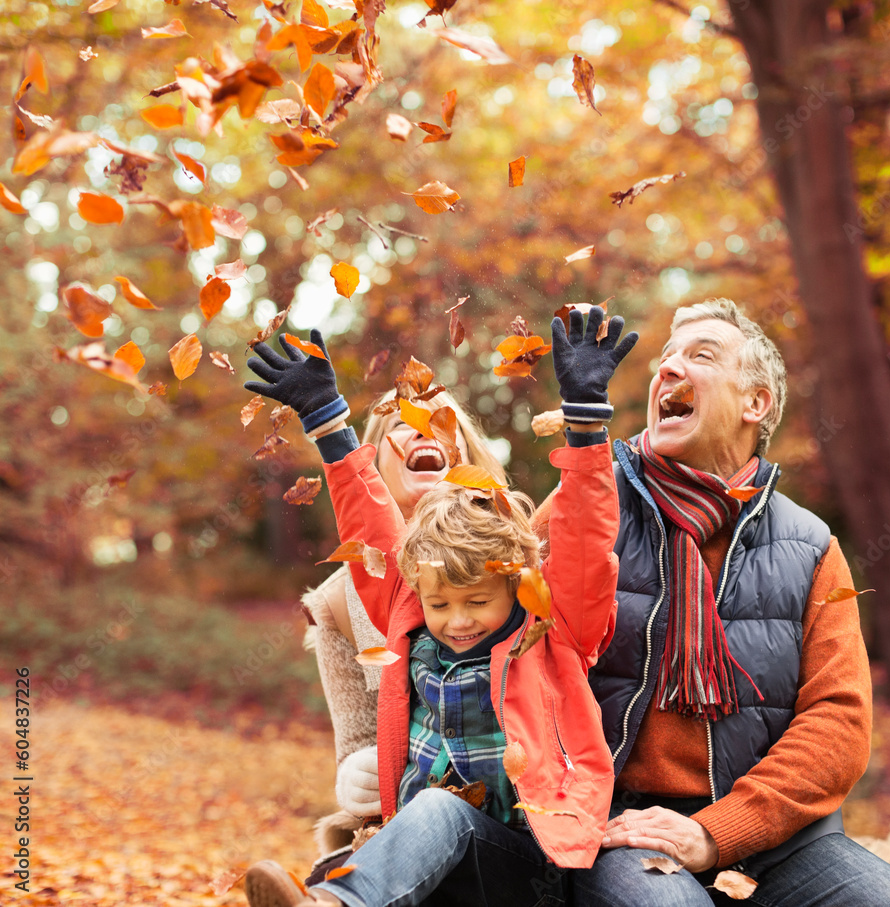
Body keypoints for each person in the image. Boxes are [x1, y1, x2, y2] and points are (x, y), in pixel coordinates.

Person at [241, 309, 638, 906]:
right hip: (426, 862)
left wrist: (585, 422)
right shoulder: (408, 604)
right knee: (418, 825)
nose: (455, 620)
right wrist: (325, 418)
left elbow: (585, 540)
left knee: (440, 813)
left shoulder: (549, 623)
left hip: (528, 863)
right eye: (440, 604)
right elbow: (370, 527)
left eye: (477, 600)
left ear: (514, 584)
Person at [571, 298, 890, 905]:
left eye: (700, 356)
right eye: (665, 358)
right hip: (626, 826)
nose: (666, 369)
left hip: (778, 838)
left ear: (755, 404)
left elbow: (838, 725)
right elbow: (482, 604)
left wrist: (716, 833)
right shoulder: (591, 509)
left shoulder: (810, 547)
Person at [299, 389, 506, 862]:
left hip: (517, 813)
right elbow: (355, 740)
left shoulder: (521, 555)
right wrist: (356, 771)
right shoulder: (337, 604)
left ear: (468, 459)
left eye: (441, 421)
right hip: (408, 812)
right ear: (373, 466)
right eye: (401, 423)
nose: (422, 426)